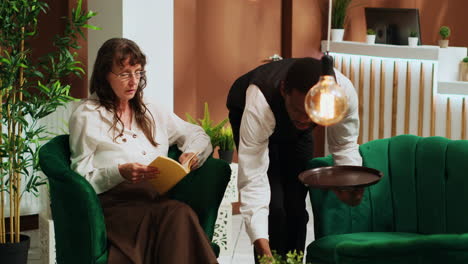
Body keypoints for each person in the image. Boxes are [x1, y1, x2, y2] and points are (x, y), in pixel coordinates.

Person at [69, 38, 218, 264]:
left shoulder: (151, 111)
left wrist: (192, 153)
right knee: (179, 214)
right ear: (104, 75)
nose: (133, 82)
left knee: (177, 213)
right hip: (115, 209)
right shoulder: (87, 115)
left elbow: (198, 136)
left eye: (138, 73)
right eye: (124, 73)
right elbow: (79, 176)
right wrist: (119, 172)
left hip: (154, 200)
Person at [226, 57, 363, 261]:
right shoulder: (260, 102)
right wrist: (262, 246)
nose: (303, 119)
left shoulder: (341, 94)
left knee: (296, 206)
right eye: (298, 110)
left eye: (310, 113)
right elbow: (253, 179)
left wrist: (349, 185)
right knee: (275, 208)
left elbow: (344, 144)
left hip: (297, 133)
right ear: (284, 90)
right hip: (253, 115)